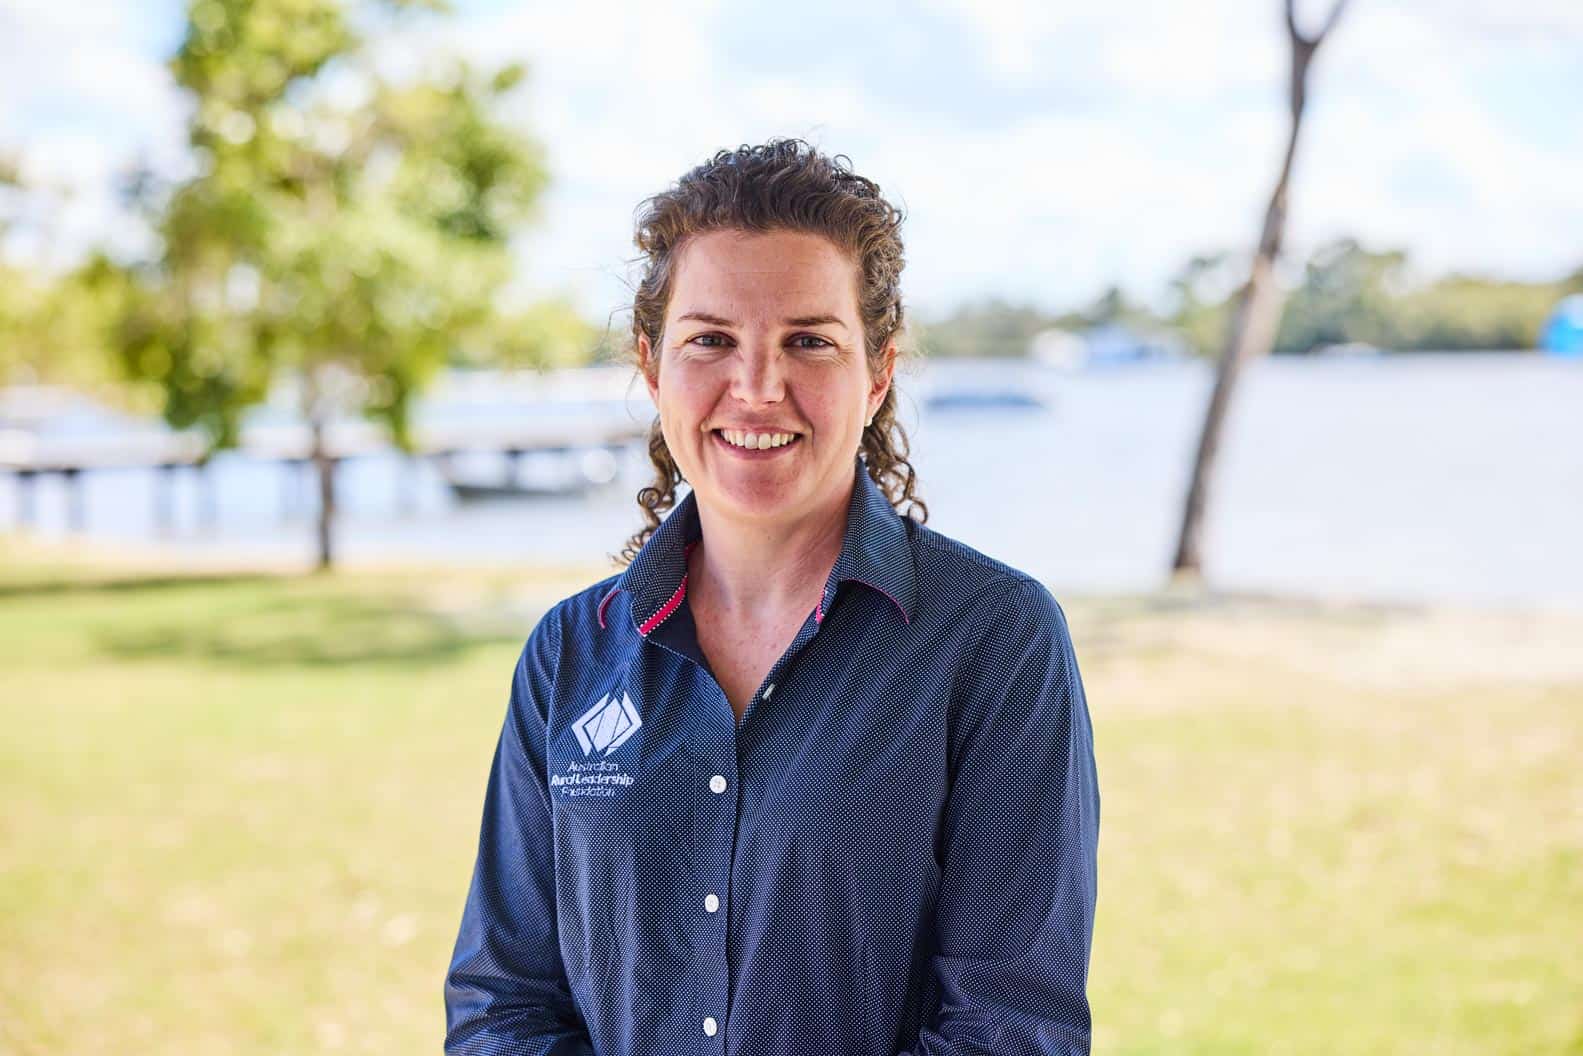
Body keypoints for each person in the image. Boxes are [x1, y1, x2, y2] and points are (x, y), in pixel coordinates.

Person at [443, 138, 1100, 1055]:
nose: (756, 388)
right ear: (650, 366)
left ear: (876, 374)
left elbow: (1010, 1026)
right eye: (710, 339)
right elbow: (502, 1005)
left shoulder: (991, 638)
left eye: (809, 341)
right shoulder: (570, 652)